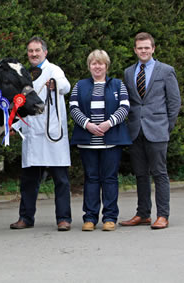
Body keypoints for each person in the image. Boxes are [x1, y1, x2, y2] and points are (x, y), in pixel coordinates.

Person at [10, 36, 72, 231]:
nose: (34, 54)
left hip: (51, 132)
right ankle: (26, 218)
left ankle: (63, 219)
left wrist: (55, 85)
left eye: (37, 51)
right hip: (32, 133)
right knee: (28, 180)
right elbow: (20, 104)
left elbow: (66, 86)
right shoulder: (25, 74)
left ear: (45, 52)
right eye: (30, 51)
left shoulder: (54, 70)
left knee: (60, 180)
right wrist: (15, 126)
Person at [119, 32, 181, 229]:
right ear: (135, 50)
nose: (143, 51)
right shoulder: (129, 72)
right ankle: (143, 214)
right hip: (135, 130)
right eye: (140, 48)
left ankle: (163, 215)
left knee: (159, 173)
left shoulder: (166, 70)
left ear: (153, 48)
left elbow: (174, 102)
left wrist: (166, 126)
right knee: (140, 174)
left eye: (147, 47)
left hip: (158, 130)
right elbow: (128, 102)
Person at [69, 49, 131, 231]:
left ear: (106, 66)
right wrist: (88, 125)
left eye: (101, 63)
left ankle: (110, 218)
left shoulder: (118, 85)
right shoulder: (79, 85)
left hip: (110, 139)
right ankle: (89, 218)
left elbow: (125, 107)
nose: (97, 66)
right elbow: (73, 108)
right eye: (94, 63)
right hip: (87, 140)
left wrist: (108, 123)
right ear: (89, 66)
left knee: (110, 178)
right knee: (91, 178)